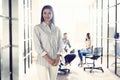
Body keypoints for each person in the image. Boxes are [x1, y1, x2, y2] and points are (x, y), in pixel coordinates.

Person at [33, 5, 63, 80]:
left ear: (52, 14)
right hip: (42, 62)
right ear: (42, 14)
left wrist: (58, 58)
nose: (47, 15)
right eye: (45, 13)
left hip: (55, 61)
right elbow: (38, 47)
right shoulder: (37, 28)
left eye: (49, 13)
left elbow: (60, 44)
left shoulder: (57, 29)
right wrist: (49, 59)